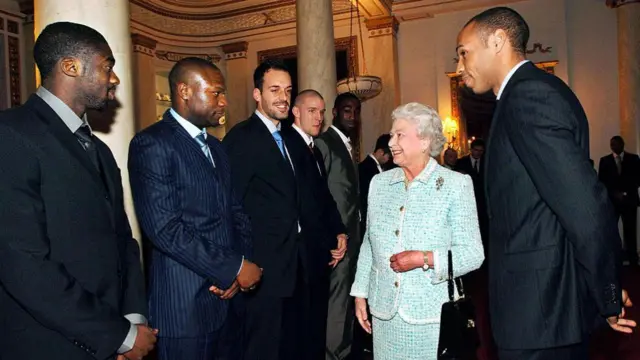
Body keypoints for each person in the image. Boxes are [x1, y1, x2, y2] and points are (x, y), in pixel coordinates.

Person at [456, 7, 635, 359]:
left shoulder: (527, 96)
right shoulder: (526, 94)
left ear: (497, 41)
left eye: (464, 52)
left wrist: (606, 289)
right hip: (540, 310)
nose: (460, 66)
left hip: (540, 313)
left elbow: (585, 205)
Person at [0, 22, 156, 359]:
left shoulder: (99, 150)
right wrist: (118, 335)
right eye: (107, 66)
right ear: (70, 67)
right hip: (49, 344)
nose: (114, 78)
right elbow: (24, 266)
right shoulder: (10, 135)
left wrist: (132, 318)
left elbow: (122, 241)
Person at [128, 57, 261, 359]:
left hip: (228, 304)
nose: (224, 101)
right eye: (216, 93)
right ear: (185, 91)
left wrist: (238, 269)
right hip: (185, 309)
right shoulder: (152, 143)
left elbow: (235, 213)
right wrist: (233, 268)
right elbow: (164, 229)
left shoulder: (216, 147)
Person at [351, 102, 485, 359]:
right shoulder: (379, 184)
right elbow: (370, 242)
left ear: (424, 142)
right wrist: (360, 293)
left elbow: (473, 253)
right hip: (384, 313)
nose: (391, 142)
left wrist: (424, 259)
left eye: (399, 134)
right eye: (391, 134)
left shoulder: (455, 185)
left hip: (431, 314)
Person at [223, 60, 308, 360]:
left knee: (284, 346)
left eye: (287, 90)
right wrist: (239, 264)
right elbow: (229, 204)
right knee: (260, 349)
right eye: (274, 90)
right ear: (257, 94)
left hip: (290, 265)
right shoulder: (243, 137)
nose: (283, 97)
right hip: (260, 269)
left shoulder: (286, 138)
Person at [286, 88, 348, 359]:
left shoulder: (314, 148)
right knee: (303, 330)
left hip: (319, 252)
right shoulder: (287, 144)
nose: (319, 117)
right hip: (302, 255)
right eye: (312, 111)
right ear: (295, 112)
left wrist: (340, 232)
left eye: (322, 112)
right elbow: (303, 206)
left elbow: (325, 198)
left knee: (316, 325)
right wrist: (326, 244)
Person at [314, 92, 362, 360]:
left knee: (346, 302)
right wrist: (334, 235)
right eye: (346, 110)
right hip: (337, 240)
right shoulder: (324, 143)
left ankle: (343, 351)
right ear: (334, 112)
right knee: (337, 303)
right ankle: (333, 354)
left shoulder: (345, 144)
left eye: (356, 110)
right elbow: (321, 196)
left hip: (351, 238)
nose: (352, 116)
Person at [598, 135, 640, 267]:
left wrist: (626, 192)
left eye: (615, 144)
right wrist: (614, 193)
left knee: (630, 232)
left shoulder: (634, 159)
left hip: (629, 201)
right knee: (611, 231)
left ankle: (633, 260)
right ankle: (614, 259)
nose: (613, 146)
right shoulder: (604, 161)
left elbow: (638, 178)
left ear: (622, 144)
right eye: (611, 144)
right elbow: (602, 181)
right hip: (612, 202)